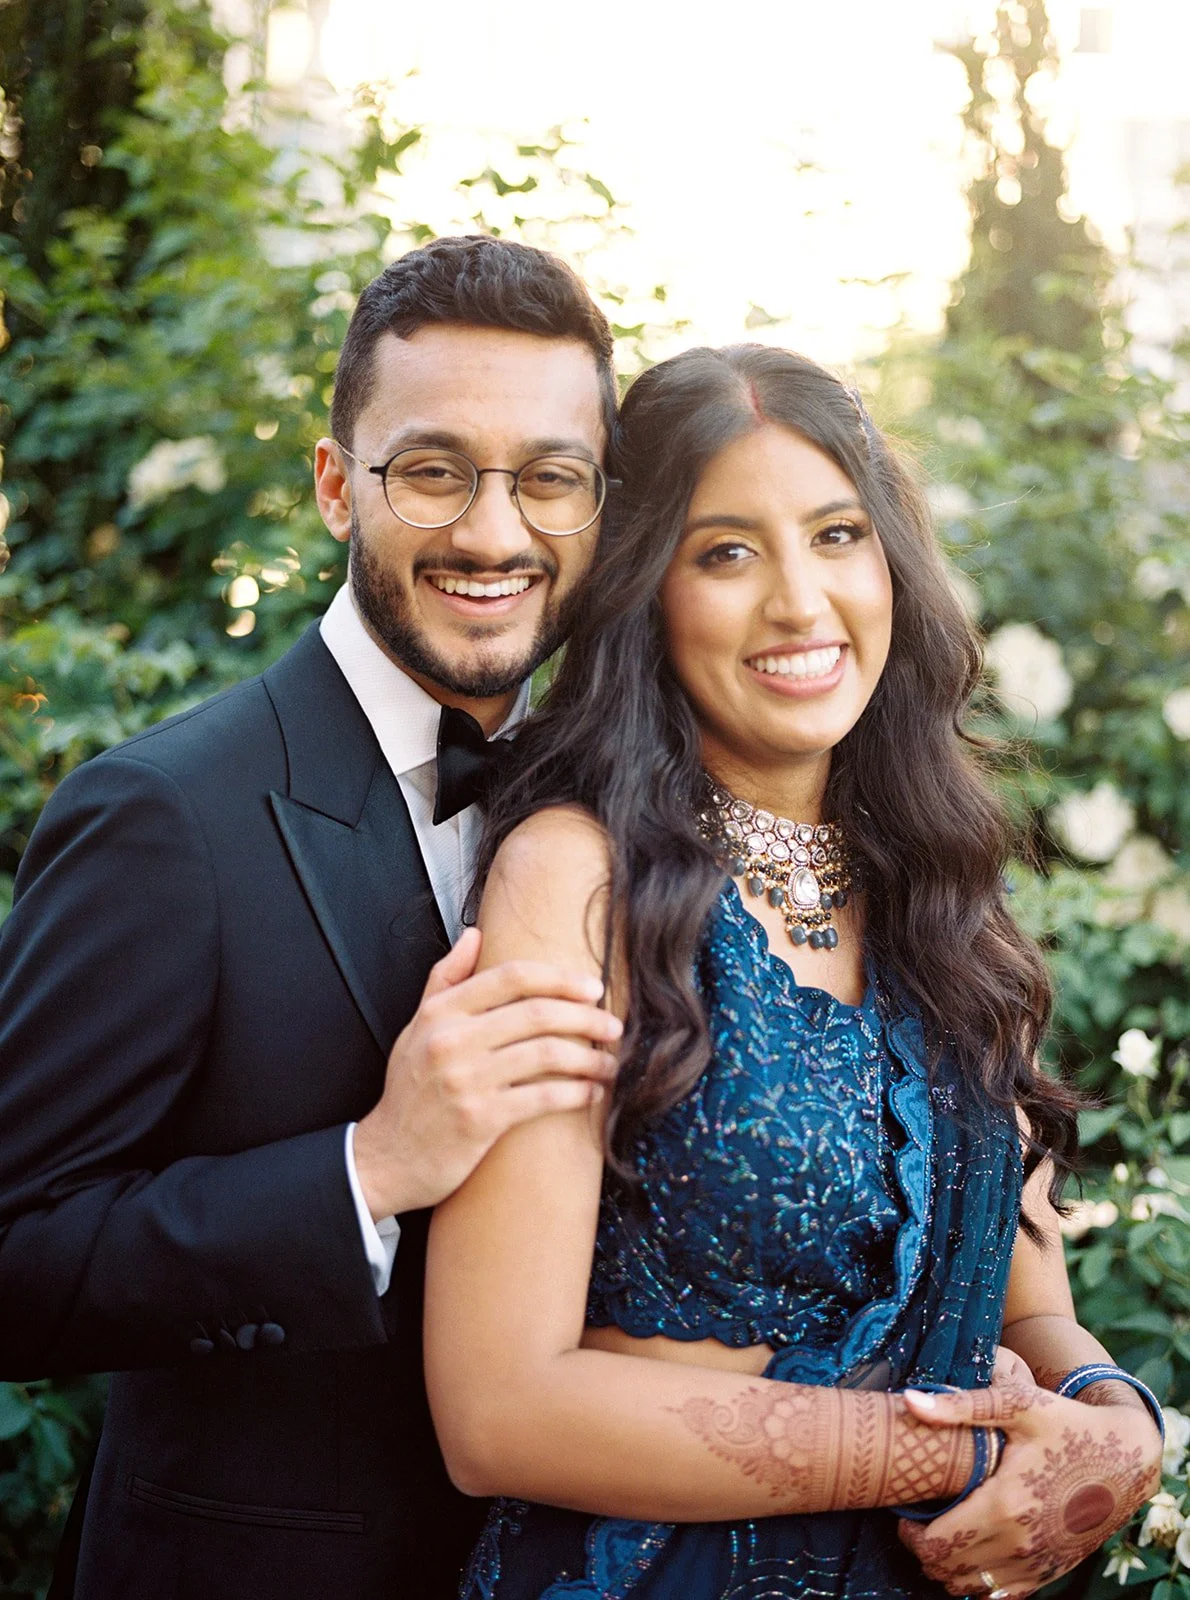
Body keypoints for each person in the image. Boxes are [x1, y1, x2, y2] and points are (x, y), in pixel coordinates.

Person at [423, 344, 1165, 1599]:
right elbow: (498, 1406)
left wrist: (1112, 1427)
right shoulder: (575, 879)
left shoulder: (940, 892)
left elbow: (1026, 1311)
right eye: (724, 553)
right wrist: (963, 1449)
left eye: (835, 535)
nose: (798, 603)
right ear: (643, 589)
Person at [0, 235, 627, 1600]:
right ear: (340, 486)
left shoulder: (628, 810)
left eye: (547, 478)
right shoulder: (163, 817)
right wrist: (368, 1168)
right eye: (432, 469)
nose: (491, 530)